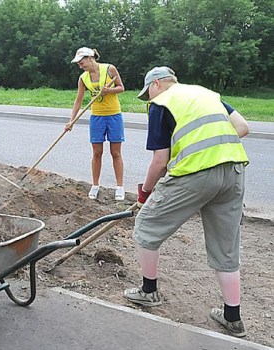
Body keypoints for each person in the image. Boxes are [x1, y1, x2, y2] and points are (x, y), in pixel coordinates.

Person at [123, 66, 250, 338]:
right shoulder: (206, 94)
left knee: (146, 225)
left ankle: (148, 291)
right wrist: (209, 146)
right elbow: (242, 127)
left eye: (148, 93)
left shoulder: (162, 102)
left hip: (197, 173)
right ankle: (233, 318)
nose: (149, 98)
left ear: (156, 84)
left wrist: (145, 193)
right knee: (225, 247)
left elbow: (160, 160)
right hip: (234, 172)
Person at [66, 47, 126, 201]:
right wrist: (71, 120)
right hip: (97, 117)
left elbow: (121, 88)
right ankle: (95, 185)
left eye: (81, 62)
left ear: (90, 57)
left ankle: (119, 187)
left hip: (114, 115)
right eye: (78, 64)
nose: (80, 66)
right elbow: (78, 100)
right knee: (97, 153)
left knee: (116, 153)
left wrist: (109, 91)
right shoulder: (83, 78)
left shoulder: (109, 69)